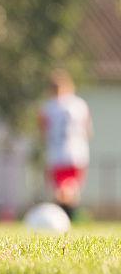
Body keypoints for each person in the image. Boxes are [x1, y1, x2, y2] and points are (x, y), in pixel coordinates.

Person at [38, 69, 92, 220]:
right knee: (71, 188)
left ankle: (65, 215)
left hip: (57, 153)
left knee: (61, 189)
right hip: (78, 152)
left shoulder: (47, 107)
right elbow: (88, 130)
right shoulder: (80, 104)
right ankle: (69, 215)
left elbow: (43, 130)